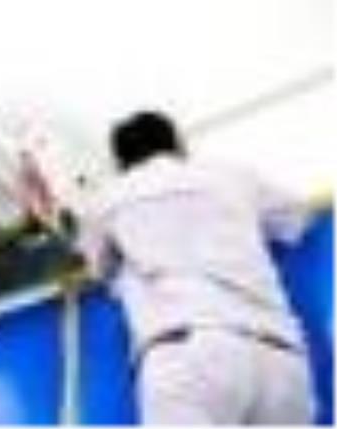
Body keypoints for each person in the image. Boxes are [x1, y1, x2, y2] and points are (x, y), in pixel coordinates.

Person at [71, 111, 315, 424]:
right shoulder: (231, 174)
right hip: (279, 355)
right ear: (178, 145)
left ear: (119, 162)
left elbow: (98, 266)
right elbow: (297, 219)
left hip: (188, 353)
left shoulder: (108, 198)